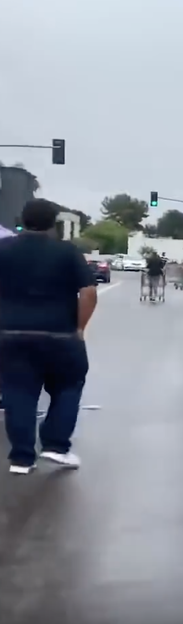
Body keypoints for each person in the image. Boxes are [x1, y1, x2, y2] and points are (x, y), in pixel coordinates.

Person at [0, 199, 96, 474]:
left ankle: (21, 459)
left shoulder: (3, 249)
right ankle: (55, 446)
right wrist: (79, 328)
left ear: (22, 219)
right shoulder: (67, 252)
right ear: (54, 223)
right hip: (60, 334)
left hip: (12, 334)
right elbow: (88, 292)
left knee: (18, 393)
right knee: (69, 386)